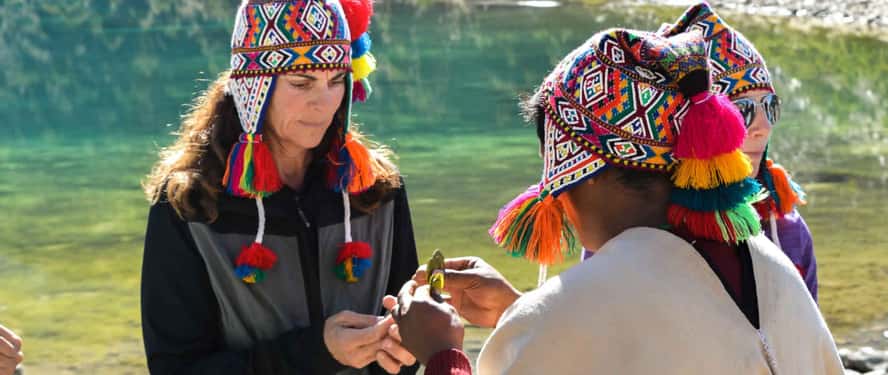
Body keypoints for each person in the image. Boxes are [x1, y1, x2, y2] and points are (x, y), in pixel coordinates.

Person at [388, 19, 843, 375]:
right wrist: (520, 311)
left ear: (579, 173)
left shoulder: (575, 311)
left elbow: (620, 313)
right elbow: (677, 335)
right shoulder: (768, 266)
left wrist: (443, 352)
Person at [141, 0, 419, 373]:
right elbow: (175, 368)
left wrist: (410, 345)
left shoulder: (376, 189)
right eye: (302, 83)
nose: (324, 103)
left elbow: (406, 346)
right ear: (254, 88)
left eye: (337, 81)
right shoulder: (191, 204)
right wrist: (316, 352)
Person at [657, 1, 817, 300]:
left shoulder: (787, 228)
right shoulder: (640, 229)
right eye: (742, 111)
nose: (763, 127)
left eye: (770, 107)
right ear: (690, 127)